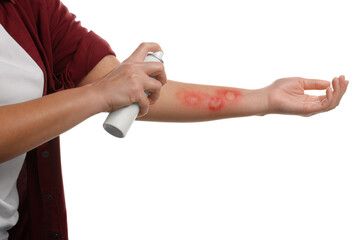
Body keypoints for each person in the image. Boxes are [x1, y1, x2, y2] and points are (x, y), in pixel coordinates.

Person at [0, 0, 348, 239]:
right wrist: (97, 96)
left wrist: (263, 98)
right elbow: (106, 89)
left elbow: (124, 87)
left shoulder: (26, 8)